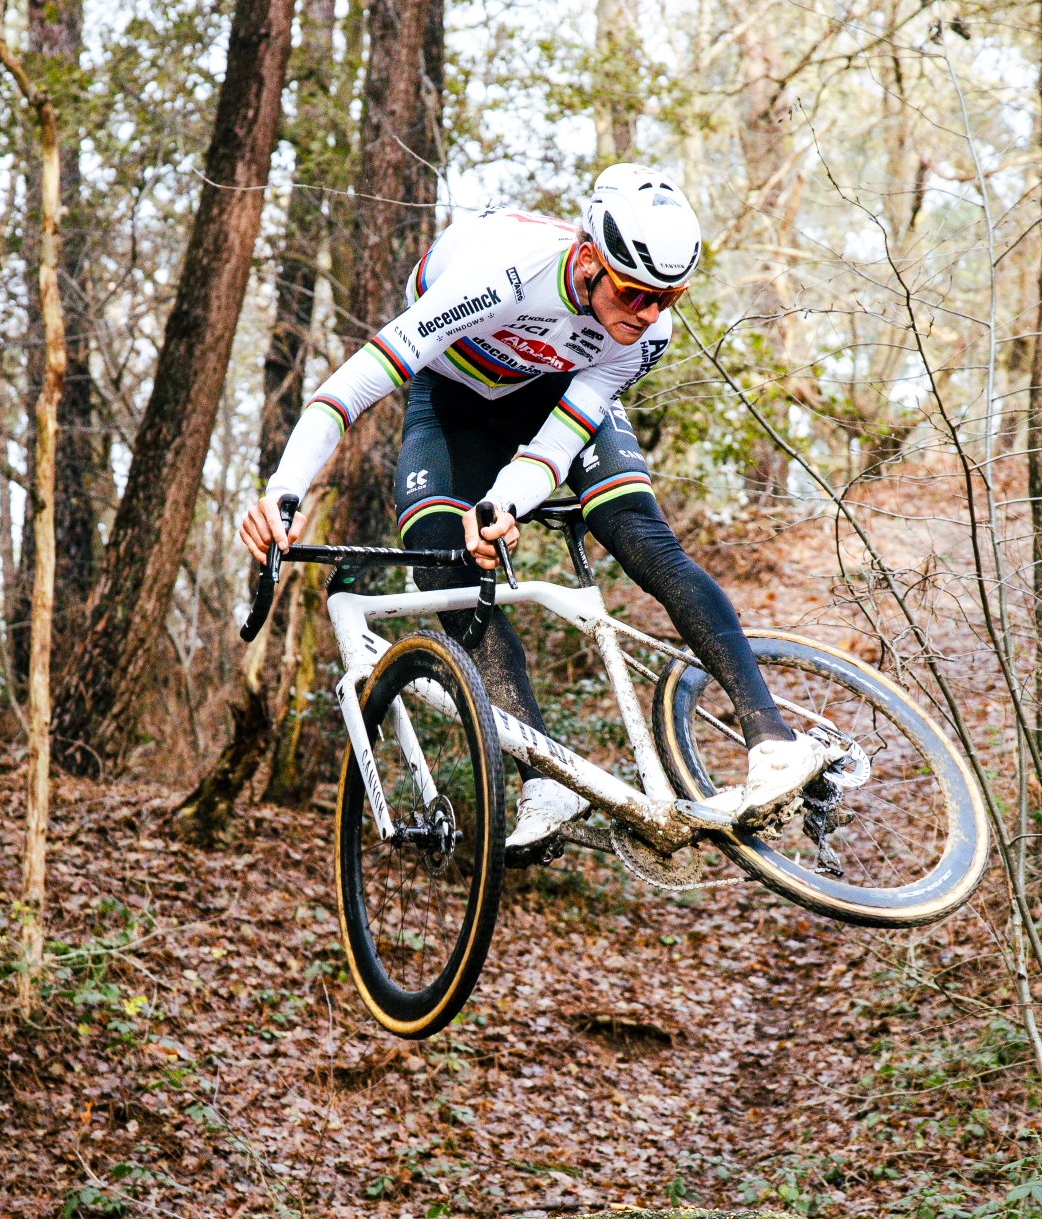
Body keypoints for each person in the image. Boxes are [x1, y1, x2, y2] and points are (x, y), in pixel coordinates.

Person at [240, 164, 823, 857]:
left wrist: (502, 503)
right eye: (634, 292)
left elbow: (558, 440)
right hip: (453, 398)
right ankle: (543, 777)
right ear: (587, 258)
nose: (647, 313)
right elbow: (352, 386)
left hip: (555, 401)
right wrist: (285, 490)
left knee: (640, 537)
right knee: (442, 565)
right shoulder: (500, 274)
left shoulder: (648, 333)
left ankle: (773, 742)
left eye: (668, 298)